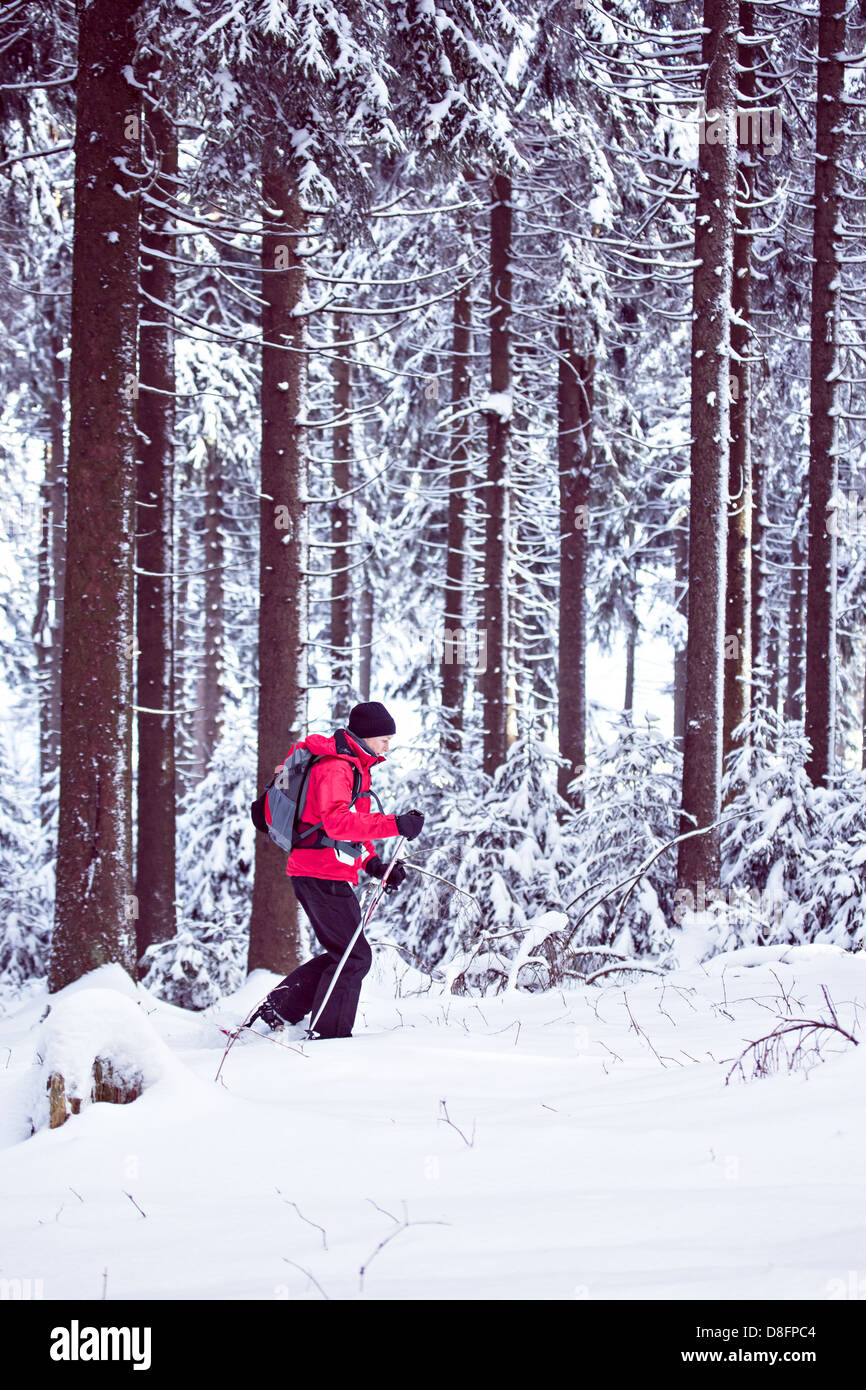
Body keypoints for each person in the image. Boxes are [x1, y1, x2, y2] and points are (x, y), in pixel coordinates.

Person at [252, 701, 424, 1039]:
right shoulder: (337, 767)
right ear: (366, 736)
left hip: (323, 870)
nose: (388, 746)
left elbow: (350, 831)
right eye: (383, 739)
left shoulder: (354, 766)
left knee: (344, 954)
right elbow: (337, 823)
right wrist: (395, 824)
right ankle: (328, 1037)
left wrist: (374, 863)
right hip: (319, 873)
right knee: (354, 958)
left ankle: (278, 1011)